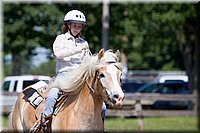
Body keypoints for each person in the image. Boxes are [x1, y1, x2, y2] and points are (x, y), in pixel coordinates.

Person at [41, 10, 106, 126]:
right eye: (74, 25)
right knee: (52, 95)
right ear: (68, 25)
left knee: (103, 106)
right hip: (64, 76)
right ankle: (45, 120)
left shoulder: (84, 42)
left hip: (80, 78)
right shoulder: (60, 39)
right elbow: (59, 54)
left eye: (79, 26)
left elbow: (87, 60)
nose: (77, 28)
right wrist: (78, 49)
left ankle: (97, 126)